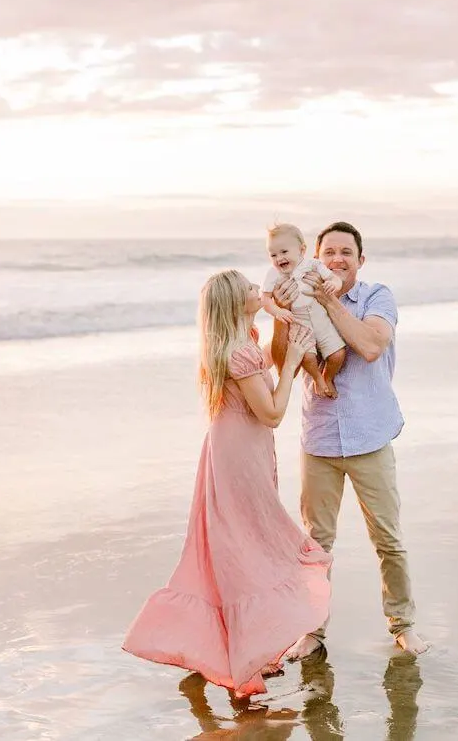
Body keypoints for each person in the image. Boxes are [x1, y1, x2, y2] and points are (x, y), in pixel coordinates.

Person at [123, 270, 332, 698]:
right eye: (251, 290)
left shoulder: (236, 341)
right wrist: (291, 363)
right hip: (240, 458)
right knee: (250, 550)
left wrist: (275, 307)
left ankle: (246, 653)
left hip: (235, 451)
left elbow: (260, 393)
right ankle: (244, 658)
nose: (261, 290)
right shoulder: (240, 352)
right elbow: (272, 413)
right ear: (236, 304)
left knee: (239, 550)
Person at [271, 222, 427, 658]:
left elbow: (371, 345)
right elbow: (283, 359)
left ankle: (403, 624)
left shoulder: (377, 297)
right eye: (329, 253)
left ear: (361, 259)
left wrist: (328, 301)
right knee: (316, 543)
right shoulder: (298, 292)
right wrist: (281, 317)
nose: (337, 260)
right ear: (315, 257)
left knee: (388, 539)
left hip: (369, 435)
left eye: (346, 252)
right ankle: (311, 632)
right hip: (319, 438)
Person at [261, 222, 346, 398]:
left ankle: (327, 377)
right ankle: (317, 379)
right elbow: (265, 299)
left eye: (284, 252)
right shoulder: (273, 274)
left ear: (301, 249)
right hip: (299, 322)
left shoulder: (312, 265)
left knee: (338, 354)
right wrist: (278, 311)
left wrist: (333, 284)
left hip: (320, 318)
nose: (279, 259)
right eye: (273, 255)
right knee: (308, 358)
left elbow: (334, 278)